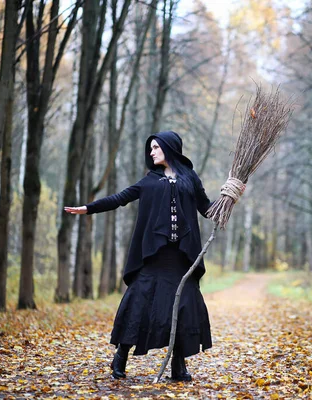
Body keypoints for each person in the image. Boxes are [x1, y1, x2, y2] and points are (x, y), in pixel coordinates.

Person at [64, 131, 223, 382]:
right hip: (154, 257)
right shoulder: (149, 181)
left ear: (170, 148)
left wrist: (230, 198)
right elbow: (120, 199)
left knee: (182, 307)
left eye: (156, 147)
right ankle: (121, 356)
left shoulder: (190, 179)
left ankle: (178, 366)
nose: (151, 152)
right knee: (138, 302)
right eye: (150, 148)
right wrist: (89, 208)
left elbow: (207, 209)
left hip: (182, 259)